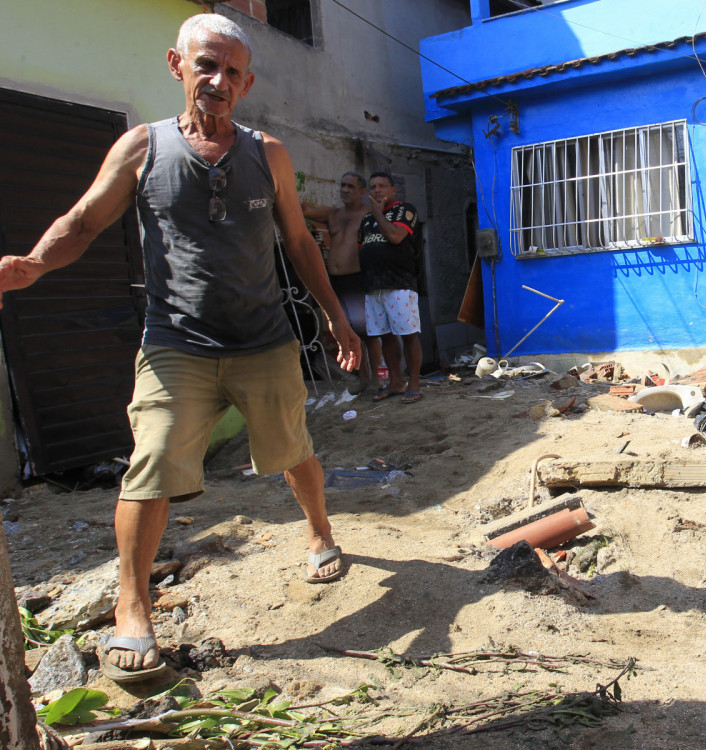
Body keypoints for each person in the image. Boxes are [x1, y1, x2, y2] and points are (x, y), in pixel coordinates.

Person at [0, 14, 361, 683]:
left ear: (247, 82)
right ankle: (132, 606)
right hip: (176, 342)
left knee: (292, 451)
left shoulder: (269, 153)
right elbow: (83, 221)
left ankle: (319, 530)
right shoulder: (142, 149)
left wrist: (336, 319)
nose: (218, 82)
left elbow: (300, 242)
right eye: (206, 66)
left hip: (265, 339)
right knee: (154, 461)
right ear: (177, 65)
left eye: (231, 72)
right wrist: (32, 265)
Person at [302, 172, 383, 393]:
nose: (345, 189)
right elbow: (304, 211)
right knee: (347, 330)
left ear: (361, 191)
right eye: (343, 185)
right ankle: (363, 378)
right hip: (336, 281)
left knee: (368, 332)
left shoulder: (369, 214)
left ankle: (377, 378)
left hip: (358, 279)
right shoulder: (334, 214)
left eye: (350, 186)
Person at [358, 172, 422, 403]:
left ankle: (414, 384)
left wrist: (377, 212)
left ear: (393, 190)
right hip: (373, 286)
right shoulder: (365, 221)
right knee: (384, 337)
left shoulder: (405, 210)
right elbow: (362, 248)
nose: (377, 190)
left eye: (382, 186)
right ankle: (396, 383)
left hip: (399, 284)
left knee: (408, 335)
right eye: (373, 187)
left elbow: (395, 237)